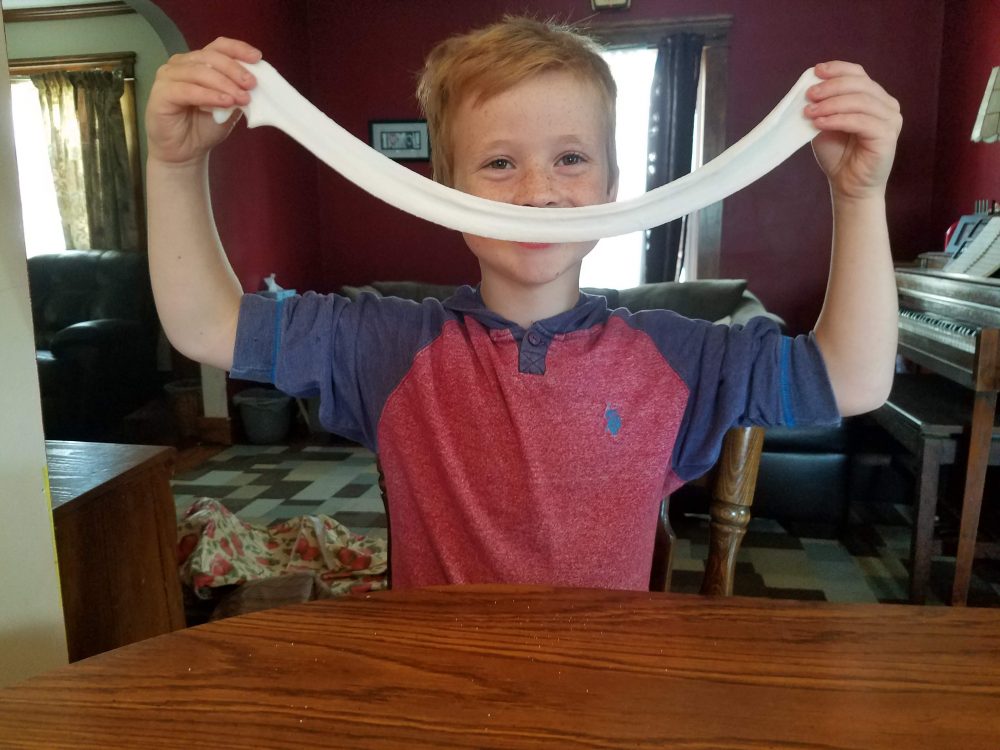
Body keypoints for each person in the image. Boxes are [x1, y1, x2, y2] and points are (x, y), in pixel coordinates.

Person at [145, 17, 901, 590]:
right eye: (499, 163)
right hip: (445, 690)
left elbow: (854, 378)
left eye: (570, 159)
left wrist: (858, 195)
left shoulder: (681, 356)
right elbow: (206, 324)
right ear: (444, 193)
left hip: (603, 694)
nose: (538, 191)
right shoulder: (382, 344)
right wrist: (175, 167)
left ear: (610, 188)